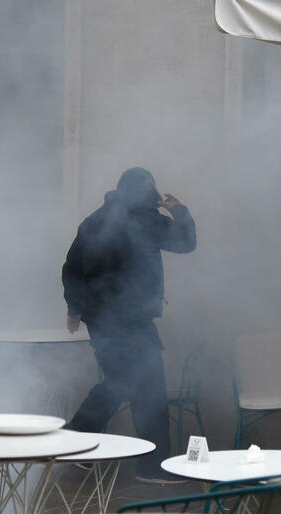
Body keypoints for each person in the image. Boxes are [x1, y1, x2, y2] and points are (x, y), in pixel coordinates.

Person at [62, 167, 196, 483]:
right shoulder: (143, 220)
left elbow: (71, 268)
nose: (154, 193)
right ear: (144, 188)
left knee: (137, 384)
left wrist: (74, 309)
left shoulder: (95, 219)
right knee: (133, 382)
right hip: (129, 319)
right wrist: (179, 210)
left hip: (101, 319)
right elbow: (186, 242)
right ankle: (79, 443)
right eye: (151, 187)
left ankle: (140, 461)